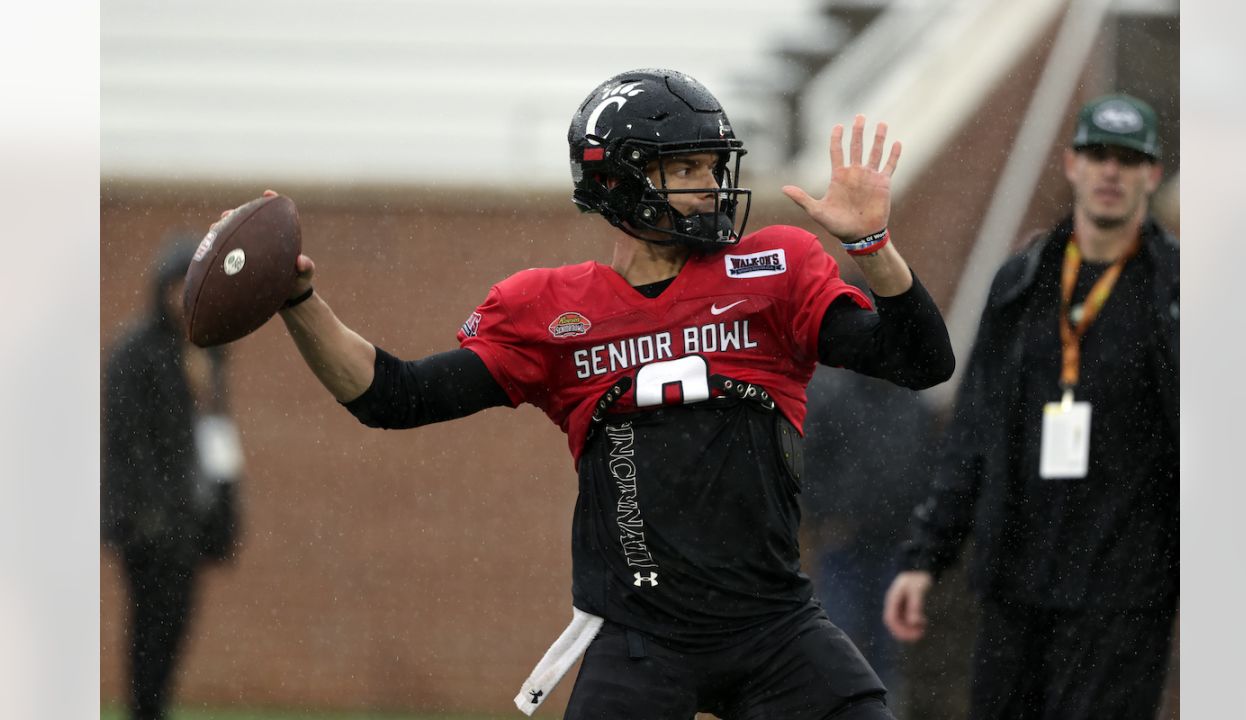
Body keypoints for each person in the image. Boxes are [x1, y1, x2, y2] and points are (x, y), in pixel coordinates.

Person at [264, 68, 953, 719]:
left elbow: (921, 360)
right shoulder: (550, 310)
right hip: (640, 641)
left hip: (773, 627)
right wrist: (299, 301)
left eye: (713, 167)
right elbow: (395, 396)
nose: (710, 187)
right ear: (617, 180)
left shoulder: (771, 273)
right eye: (685, 169)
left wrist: (874, 246)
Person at [883, 92, 1178, 719]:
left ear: (1151, 174)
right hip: (1018, 583)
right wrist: (924, 556)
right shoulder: (1023, 281)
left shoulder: (1176, 292)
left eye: (1128, 160)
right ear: (1071, 164)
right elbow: (974, 427)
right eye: (1098, 155)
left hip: (1124, 594)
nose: (1110, 173)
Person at [102, 239, 245, 720]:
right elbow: (124, 443)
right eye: (176, 285)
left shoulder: (209, 353)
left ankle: (153, 708)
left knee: (176, 629)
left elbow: (218, 439)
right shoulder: (135, 354)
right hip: (151, 528)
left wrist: (224, 513)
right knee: (151, 629)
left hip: (192, 523)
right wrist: (145, 517)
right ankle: (146, 710)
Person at [801, 362, 936, 707]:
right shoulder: (835, 398)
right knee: (837, 644)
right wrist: (828, 516)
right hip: (844, 548)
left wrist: (917, 528)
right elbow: (807, 464)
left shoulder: (912, 403)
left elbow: (927, 468)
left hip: (895, 548)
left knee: (887, 650)